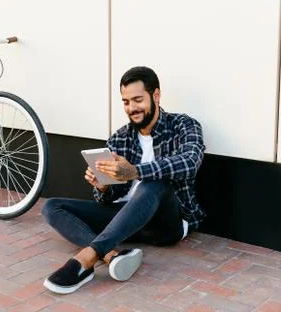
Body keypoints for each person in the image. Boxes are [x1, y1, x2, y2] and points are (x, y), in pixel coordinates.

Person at [42, 66, 206, 294]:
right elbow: (108, 198)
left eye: (137, 100)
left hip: (166, 224)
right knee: (51, 206)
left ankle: (86, 259)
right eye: (126, 102)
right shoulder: (119, 137)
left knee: (153, 182)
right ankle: (112, 255)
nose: (132, 108)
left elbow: (190, 162)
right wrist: (103, 186)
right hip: (126, 220)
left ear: (155, 96)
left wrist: (134, 171)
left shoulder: (183, 125)